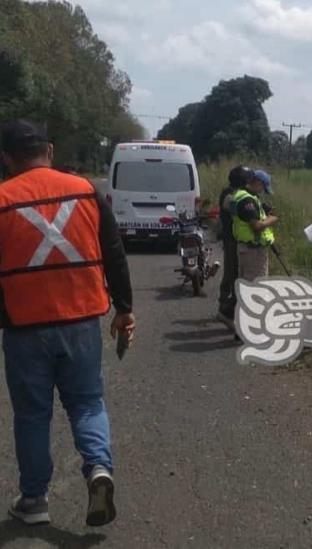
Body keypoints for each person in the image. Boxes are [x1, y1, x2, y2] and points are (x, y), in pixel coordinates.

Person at [0, 120, 135, 527]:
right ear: (50, 150)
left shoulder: (2, 199)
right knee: (87, 402)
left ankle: (35, 500)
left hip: (24, 326)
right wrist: (124, 308)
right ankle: (98, 469)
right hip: (81, 320)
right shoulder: (87, 191)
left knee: (32, 415)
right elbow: (114, 250)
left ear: (6, 158)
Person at [217, 165, 253, 325]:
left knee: (235, 273)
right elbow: (236, 211)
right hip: (232, 239)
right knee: (232, 273)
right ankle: (226, 307)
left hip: (236, 239)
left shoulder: (237, 194)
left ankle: (230, 307)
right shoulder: (229, 196)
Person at [230, 169, 278, 282]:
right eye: (263, 188)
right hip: (253, 251)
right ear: (258, 182)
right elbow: (256, 226)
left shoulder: (240, 195)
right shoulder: (247, 200)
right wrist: (272, 219)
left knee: (247, 287)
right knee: (257, 287)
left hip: (246, 248)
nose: (262, 191)